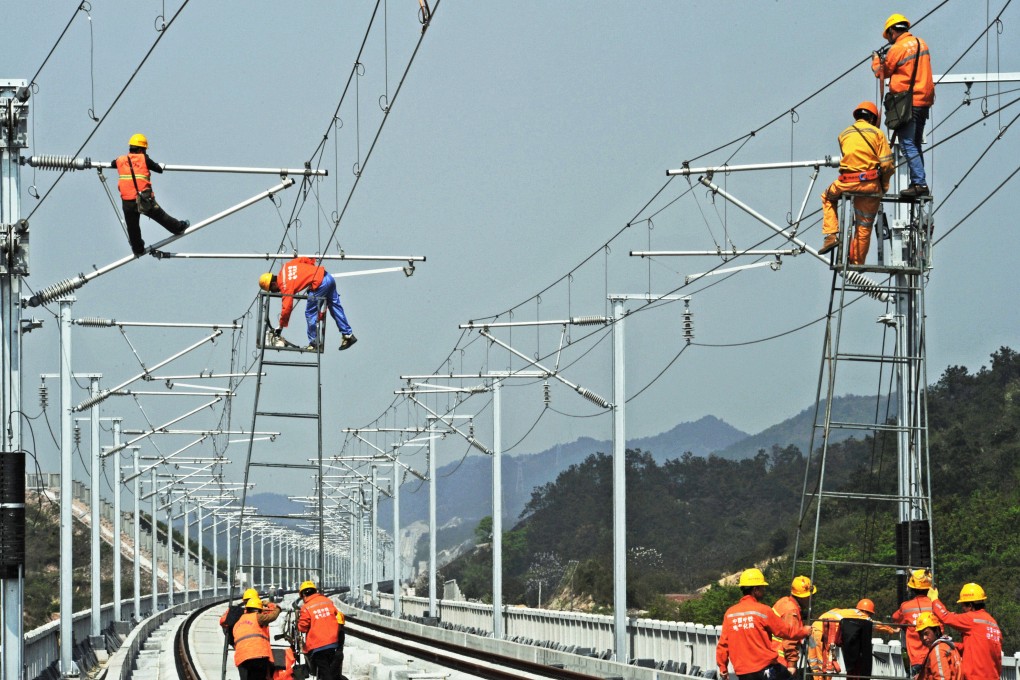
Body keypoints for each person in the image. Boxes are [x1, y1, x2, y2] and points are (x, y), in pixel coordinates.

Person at [818, 101, 894, 264]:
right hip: (870, 184)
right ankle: (856, 264)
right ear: (873, 118)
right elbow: (887, 165)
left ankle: (831, 235)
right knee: (864, 225)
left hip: (846, 182)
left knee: (827, 197)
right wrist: (884, 185)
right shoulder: (878, 134)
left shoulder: (843, 134)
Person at [872, 13, 935, 198]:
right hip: (924, 100)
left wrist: (876, 60)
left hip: (908, 103)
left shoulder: (897, 48)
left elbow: (883, 72)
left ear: (892, 31)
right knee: (915, 143)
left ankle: (919, 183)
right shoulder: (921, 43)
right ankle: (918, 182)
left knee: (907, 143)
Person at [716, 568, 811, 680]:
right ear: (755, 589)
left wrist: (723, 668)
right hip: (765, 668)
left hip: (743, 672)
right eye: (762, 587)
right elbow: (785, 631)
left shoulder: (730, 613)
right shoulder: (763, 611)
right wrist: (804, 631)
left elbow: (723, 645)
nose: (764, 590)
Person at [109, 133, 189, 257]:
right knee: (161, 216)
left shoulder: (120, 160)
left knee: (133, 227)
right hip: (143, 199)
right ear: (141, 149)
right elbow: (158, 169)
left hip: (127, 201)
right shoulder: (144, 159)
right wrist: (161, 165)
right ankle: (178, 228)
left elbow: (112, 163)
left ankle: (138, 249)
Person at [258, 258, 358, 352]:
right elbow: (305, 259)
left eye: (272, 290)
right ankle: (348, 335)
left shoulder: (285, 286)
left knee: (310, 313)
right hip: (327, 277)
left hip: (319, 284)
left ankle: (314, 343)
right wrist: (310, 273)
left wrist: (280, 326)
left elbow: (287, 308)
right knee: (335, 307)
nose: (275, 292)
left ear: (273, 284)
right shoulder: (286, 266)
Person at [808, 598, 899, 679]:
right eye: (870, 615)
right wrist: (892, 630)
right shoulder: (860, 615)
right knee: (826, 663)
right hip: (823, 632)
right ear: (867, 612)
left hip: (813, 629)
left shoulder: (844, 611)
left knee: (814, 663)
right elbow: (874, 624)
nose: (869, 617)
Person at [928, 583, 1002, 680]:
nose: (962, 609)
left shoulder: (972, 619)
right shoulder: (993, 624)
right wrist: (952, 645)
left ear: (970, 605)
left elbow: (946, 617)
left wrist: (934, 599)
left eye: (963, 606)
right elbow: (977, 649)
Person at [296, 580, 346, 680]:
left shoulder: (306, 608)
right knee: (332, 673)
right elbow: (338, 617)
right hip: (334, 643)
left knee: (325, 673)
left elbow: (302, 628)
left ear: (303, 595)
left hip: (318, 646)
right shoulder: (327, 601)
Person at [892, 568, 935, 679]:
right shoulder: (935, 605)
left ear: (912, 588)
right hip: (934, 655)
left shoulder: (906, 607)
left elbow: (896, 618)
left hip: (916, 657)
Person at [771, 575, 816, 675]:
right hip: (781, 660)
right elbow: (790, 640)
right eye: (809, 596)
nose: (811, 599)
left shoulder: (784, 601)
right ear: (803, 597)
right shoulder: (791, 611)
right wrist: (792, 665)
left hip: (773, 655)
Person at [232, 596, 281, 680]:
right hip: (257, 655)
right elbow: (273, 616)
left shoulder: (239, 622)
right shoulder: (258, 617)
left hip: (242, 657)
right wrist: (277, 608)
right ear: (258, 610)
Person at [915, 612, 962, 680]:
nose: (924, 638)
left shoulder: (938, 650)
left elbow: (942, 678)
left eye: (926, 633)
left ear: (936, 630)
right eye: (921, 635)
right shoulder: (947, 645)